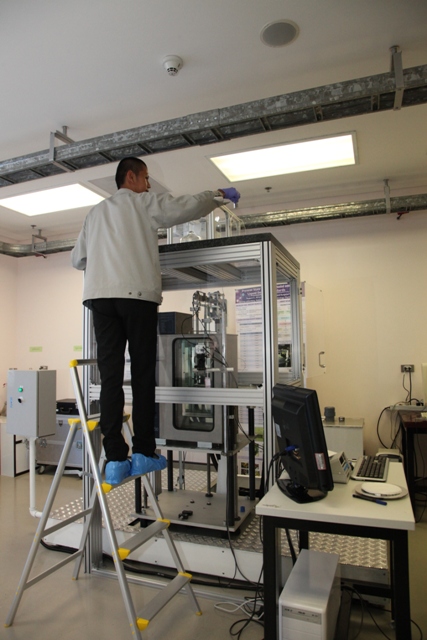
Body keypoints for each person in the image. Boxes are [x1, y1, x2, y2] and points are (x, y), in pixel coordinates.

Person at [71, 156, 240, 485]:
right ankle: (144, 453)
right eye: (146, 178)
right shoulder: (143, 203)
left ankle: (115, 459)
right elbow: (184, 207)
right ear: (131, 177)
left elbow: (78, 259)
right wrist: (217, 194)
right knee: (142, 374)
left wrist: (105, 255)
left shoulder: (95, 213)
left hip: (100, 299)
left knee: (110, 377)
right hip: (137, 298)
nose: (149, 185)